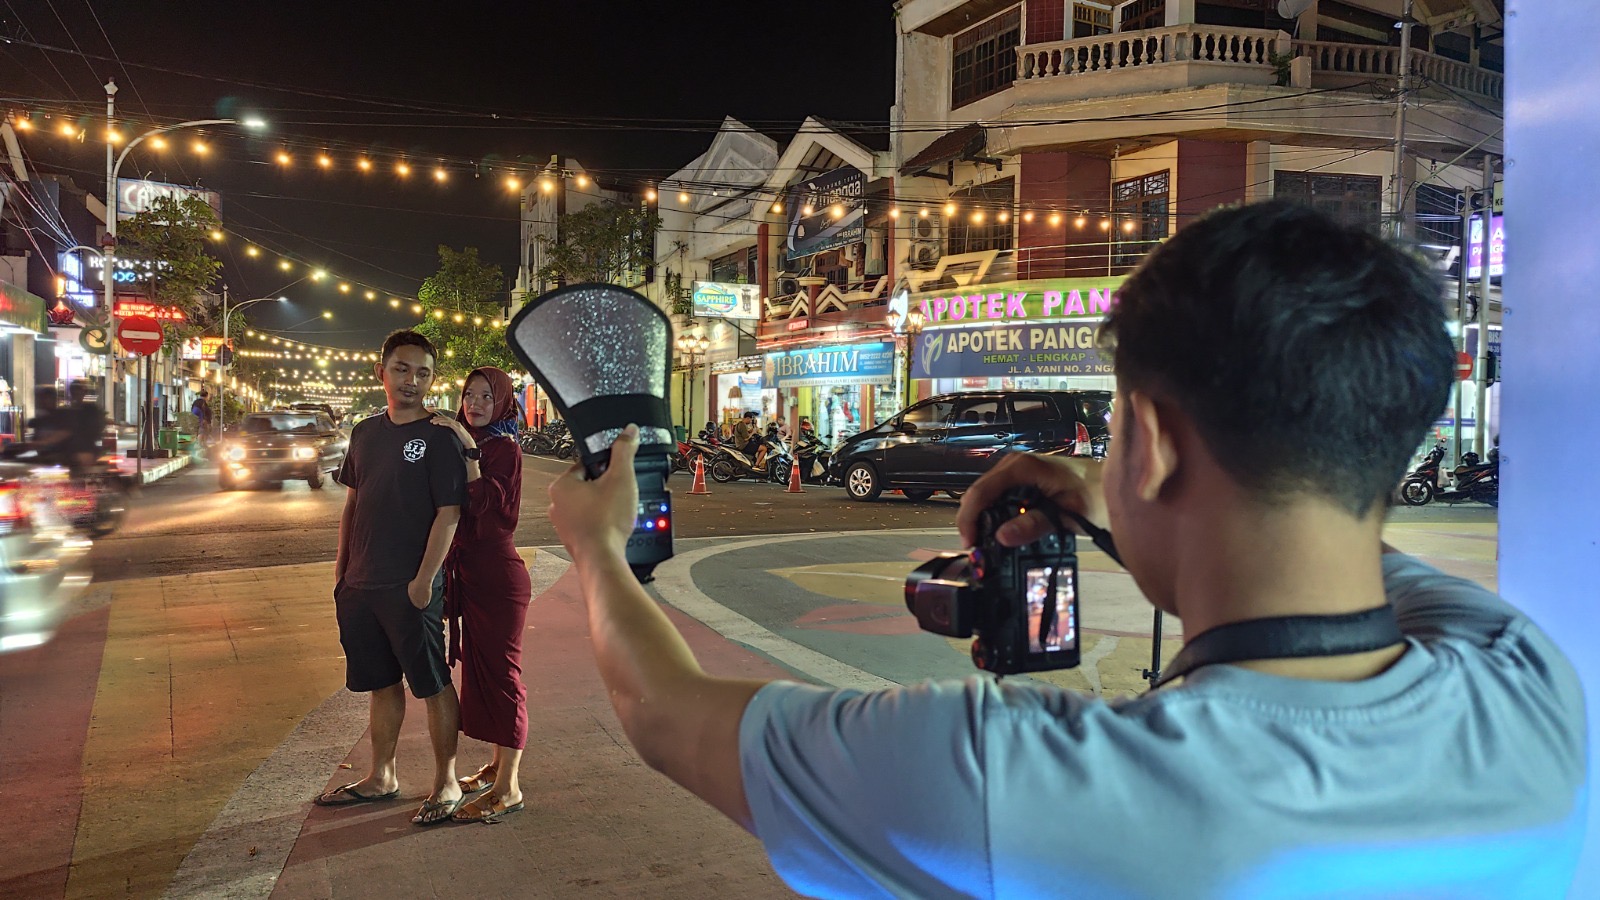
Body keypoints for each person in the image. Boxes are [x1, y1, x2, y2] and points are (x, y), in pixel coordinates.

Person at [545, 202, 1586, 897]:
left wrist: (597, 546)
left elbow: (665, 714)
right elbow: (1340, 572)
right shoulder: (1528, 682)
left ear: (1160, 439)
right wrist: (1111, 503)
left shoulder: (1009, 780)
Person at [316, 330, 469, 826]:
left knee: (432, 683)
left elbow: (449, 514)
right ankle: (383, 776)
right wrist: (342, 571)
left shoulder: (440, 436)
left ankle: (446, 781)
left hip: (411, 585)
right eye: (402, 368)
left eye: (423, 372)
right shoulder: (365, 432)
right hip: (360, 585)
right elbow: (352, 503)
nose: (413, 380)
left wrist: (425, 580)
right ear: (380, 371)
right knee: (381, 683)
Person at [429, 367, 533, 823]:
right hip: (469, 574)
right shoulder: (474, 444)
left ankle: (509, 788)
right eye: (469, 395)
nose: (475, 403)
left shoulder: (503, 448)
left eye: (487, 396)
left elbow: (484, 503)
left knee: (503, 675)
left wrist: (466, 446)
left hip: (497, 574)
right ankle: (495, 765)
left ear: (504, 401)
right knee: (483, 673)